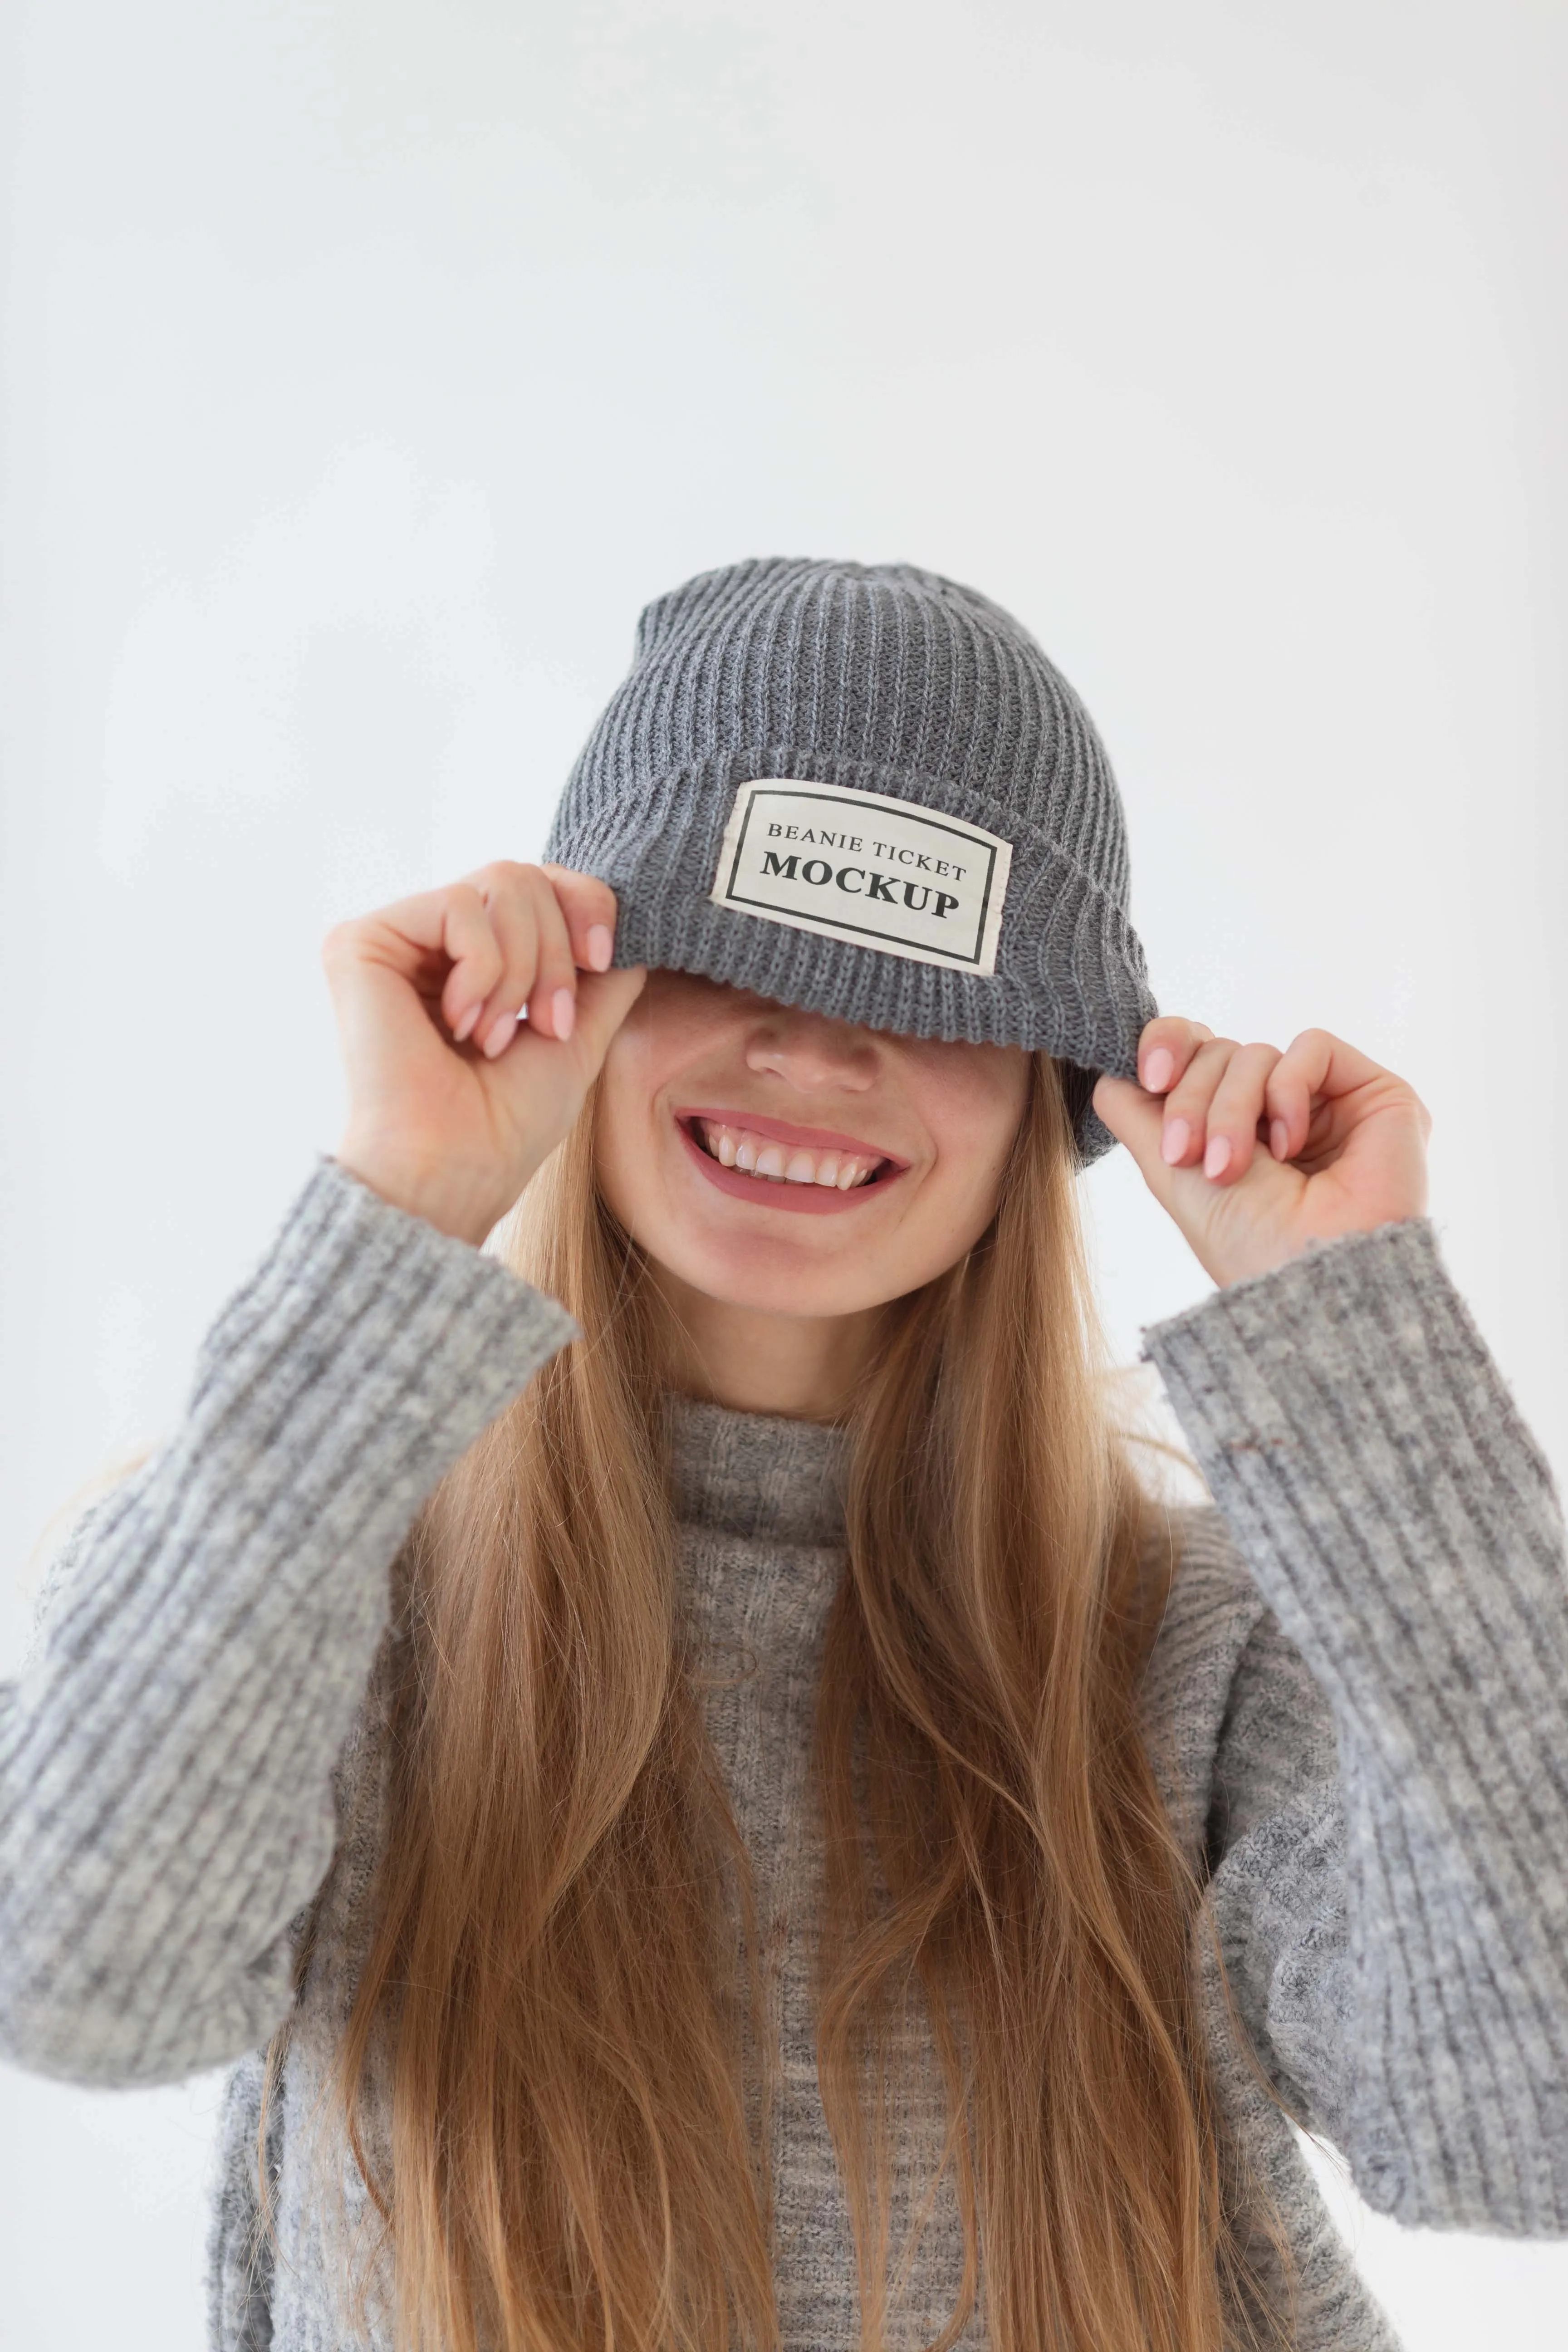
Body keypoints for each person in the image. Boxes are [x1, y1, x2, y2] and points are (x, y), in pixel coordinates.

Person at [1, 557, 1564, 2352]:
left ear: (1058, 1090)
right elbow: (70, 1979)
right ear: (577, 985)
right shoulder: (295, 1578)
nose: (815, 1048)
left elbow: (1533, 2131)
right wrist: (402, 1209)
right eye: (732, 949)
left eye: (934, 990)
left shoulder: (1205, 1659)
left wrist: (1360, 1359)